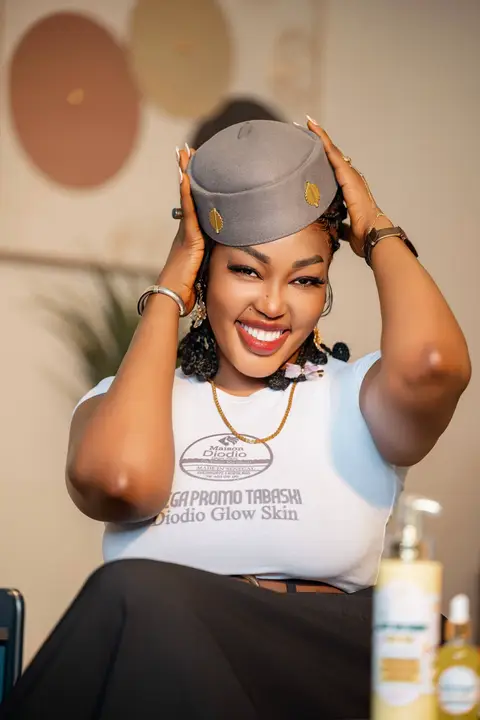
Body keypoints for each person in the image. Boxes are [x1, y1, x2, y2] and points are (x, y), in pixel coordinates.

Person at [1, 119, 470, 719]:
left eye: (305, 279)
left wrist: (375, 226)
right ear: (204, 273)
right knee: (134, 599)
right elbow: (121, 482)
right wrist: (170, 290)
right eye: (246, 270)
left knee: (134, 596)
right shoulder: (128, 402)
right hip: (174, 675)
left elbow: (434, 364)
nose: (273, 305)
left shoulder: (357, 394)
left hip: (324, 676)